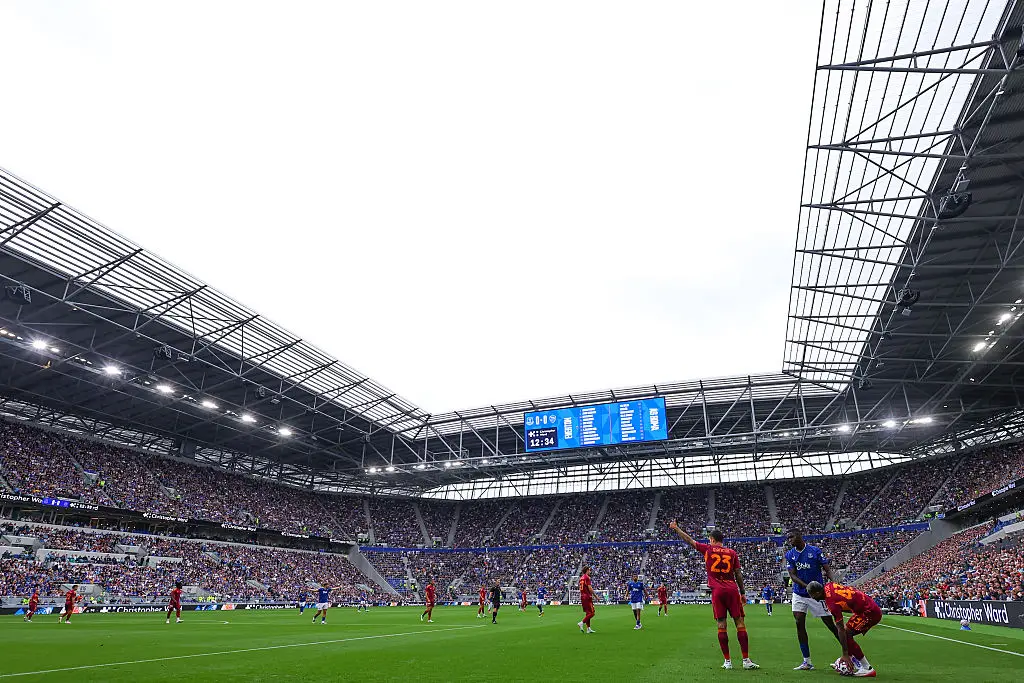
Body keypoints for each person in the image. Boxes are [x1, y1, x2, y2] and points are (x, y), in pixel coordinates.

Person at [670, 521, 758, 670]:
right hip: (732, 589)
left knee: (721, 625)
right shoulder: (732, 553)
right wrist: (742, 592)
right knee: (740, 623)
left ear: (712, 539)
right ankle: (746, 660)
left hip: (717, 591)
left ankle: (728, 662)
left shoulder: (708, 549)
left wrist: (676, 528)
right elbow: (738, 573)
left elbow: (690, 541)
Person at [785, 529, 841, 670]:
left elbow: (827, 569)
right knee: (799, 622)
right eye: (788, 538)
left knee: (831, 625)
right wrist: (806, 586)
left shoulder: (815, 551)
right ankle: (807, 661)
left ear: (799, 536)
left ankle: (851, 655)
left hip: (817, 594)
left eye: (791, 537)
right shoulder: (790, 554)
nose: (789, 540)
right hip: (799, 594)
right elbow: (792, 575)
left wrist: (834, 583)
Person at [807, 581, 881, 678]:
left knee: (846, 634)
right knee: (846, 633)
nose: (812, 597)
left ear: (817, 593)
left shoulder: (832, 603)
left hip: (869, 613)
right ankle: (847, 661)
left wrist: (845, 653)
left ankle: (867, 668)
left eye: (812, 595)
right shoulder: (829, 585)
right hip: (866, 607)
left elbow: (840, 629)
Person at [577, 565, 596, 633]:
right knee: (592, 613)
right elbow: (590, 588)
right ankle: (581, 623)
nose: (590, 571)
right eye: (589, 570)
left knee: (588, 613)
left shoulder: (581, 578)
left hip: (582, 597)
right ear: (587, 570)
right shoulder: (587, 577)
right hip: (587, 597)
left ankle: (588, 629)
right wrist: (595, 596)